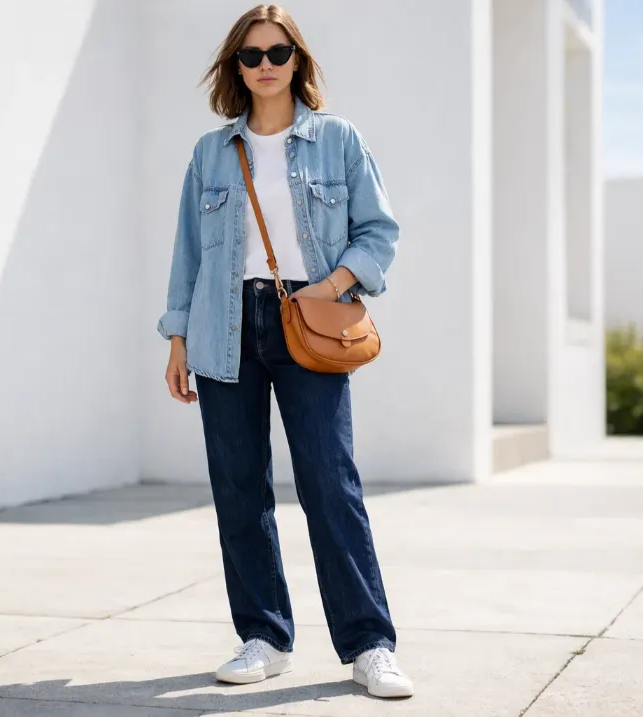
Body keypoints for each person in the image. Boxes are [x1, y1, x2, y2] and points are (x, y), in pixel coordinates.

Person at [157, 4, 413, 700]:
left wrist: (326, 285)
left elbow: (377, 233)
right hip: (222, 323)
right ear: (234, 67)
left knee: (330, 482)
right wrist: (177, 334)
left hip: (308, 317)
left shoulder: (336, 139)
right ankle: (263, 635)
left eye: (277, 52)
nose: (264, 65)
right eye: (250, 55)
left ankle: (369, 643)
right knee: (238, 487)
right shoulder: (212, 152)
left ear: (298, 60)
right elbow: (187, 252)